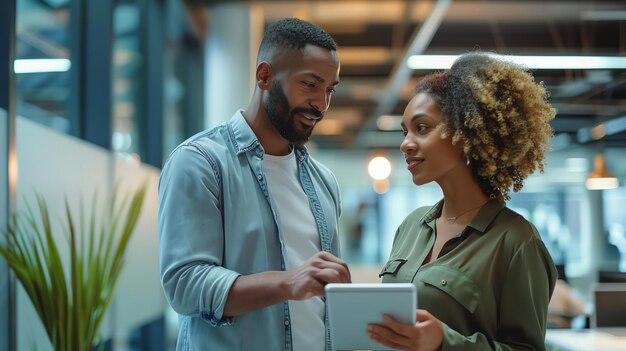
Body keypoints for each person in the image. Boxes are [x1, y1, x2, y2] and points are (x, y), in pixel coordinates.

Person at [158, 18, 351, 351]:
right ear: (265, 76)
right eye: (310, 84)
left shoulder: (324, 182)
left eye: (329, 89)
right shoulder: (201, 162)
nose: (321, 103)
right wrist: (287, 283)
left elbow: (323, 300)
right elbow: (185, 285)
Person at [368, 52, 558, 350]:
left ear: (467, 133)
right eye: (405, 131)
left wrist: (445, 341)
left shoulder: (517, 242)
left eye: (422, 128)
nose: (405, 144)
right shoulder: (411, 226)